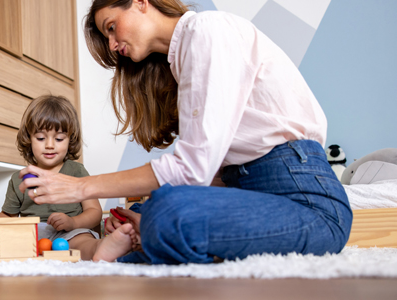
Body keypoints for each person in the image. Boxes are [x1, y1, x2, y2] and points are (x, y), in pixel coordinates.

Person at [18, 0, 352, 264]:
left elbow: (192, 169)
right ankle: (144, 244)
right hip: (255, 194)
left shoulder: (208, 31)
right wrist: (140, 216)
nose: (112, 42)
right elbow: (217, 174)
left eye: (111, 27)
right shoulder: (182, 60)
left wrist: (79, 187)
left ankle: (147, 246)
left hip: (310, 205)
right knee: (146, 211)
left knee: (168, 212)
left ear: (140, 2)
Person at [0, 95, 104, 261]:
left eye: (59, 138)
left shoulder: (77, 171)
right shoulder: (19, 179)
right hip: (30, 235)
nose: (50, 145)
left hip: (70, 233)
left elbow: (94, 211)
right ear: (29, 139)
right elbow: (8, 216)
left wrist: (73, 223)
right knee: (0, 244)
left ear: (70, 139)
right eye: (40, 138)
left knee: (83, 243)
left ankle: (101, 248)